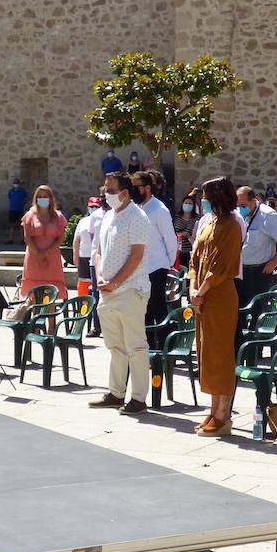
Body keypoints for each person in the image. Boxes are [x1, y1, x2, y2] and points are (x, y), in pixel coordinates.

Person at [89, 172, 153, 414]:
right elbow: (98, 251)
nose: (106, 193)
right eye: (104, 188)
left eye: (110, 190)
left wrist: (115, 282)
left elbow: (136, 256)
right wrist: (102, 277)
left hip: (130, 290)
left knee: (135, 346)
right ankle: (116, 393)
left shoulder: (137, 217)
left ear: (125, 193)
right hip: (108, 291)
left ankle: (138, 398)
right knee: (115, 346)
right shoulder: (107, 216)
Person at [188, 177, 242, 436]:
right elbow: (195, 259)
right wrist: (192, 290)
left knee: (219, 353)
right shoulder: (209, 223)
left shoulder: (232, 225)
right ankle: (212, 408)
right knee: (206, 352)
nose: (202, 201)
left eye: (206, 196)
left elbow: (222, 266)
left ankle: (223, 413)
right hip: (203, 297)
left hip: (219, 296)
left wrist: (202, 290)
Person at [134, 171, 178, 337]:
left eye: (136, 187)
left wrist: (167, 262)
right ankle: (150, 350)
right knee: (144, 313)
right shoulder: (137, 208)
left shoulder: (159, 209)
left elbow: (170, 238)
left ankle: (165, 350)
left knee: (158, 310)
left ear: (147, 188)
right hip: (140, 269)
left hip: (156, 267)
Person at [236, 185, 277, 307]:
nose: (240, 208)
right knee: (240, 307)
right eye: (238, 205)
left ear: (254, 200)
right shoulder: (240, 215)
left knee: (257, 307)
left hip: (259, 271)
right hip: (240, 269)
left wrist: (274, 262)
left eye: (243, 205)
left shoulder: (268, 215)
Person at [20, 184, 69, 300]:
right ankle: (35, 317)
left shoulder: (58, 216)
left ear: (51, 198)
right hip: (33, 256)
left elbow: (61, 237)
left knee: (51, 294)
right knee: (34, 295)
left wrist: (46, 253)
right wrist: (39, 254)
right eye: (40, 196)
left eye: (45, 196)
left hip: (52, 257)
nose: (42, 199)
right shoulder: (29, 215)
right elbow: (27, 237)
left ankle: (51, 317)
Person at [75, 196, 103, 290]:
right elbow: (76, 240)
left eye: (96, 207)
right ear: (88, 207)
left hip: (98, 257)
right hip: (84, 256)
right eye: (92, 207)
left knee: (96, 284)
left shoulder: (103, 219)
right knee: (84, 283)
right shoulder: (83, 221)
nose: (93, 209)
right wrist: (75, 257)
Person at [172, 194, 199, 269]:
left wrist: (189, 235)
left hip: (191, 251)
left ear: (193, 206)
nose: (187, 205)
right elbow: (172, 232)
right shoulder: (176, 218)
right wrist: (182, 234)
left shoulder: (197, 218)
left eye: (190, 203)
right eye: (186, 203)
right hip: (177, 251)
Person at [6, 179, 29, 244]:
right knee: (12, 226)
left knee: (21, 226)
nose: (16, 184)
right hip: (12, 210)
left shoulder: (22, 191)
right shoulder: (11, 191)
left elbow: (26, 199)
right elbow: (10, 198)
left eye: (17, 183)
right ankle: (11, 240)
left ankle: (22, 240)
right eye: (15, 183)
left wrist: (22, 204)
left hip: (20, 210)